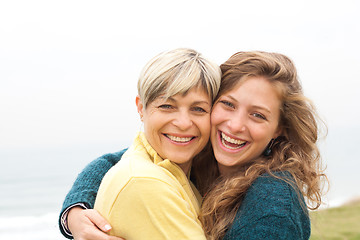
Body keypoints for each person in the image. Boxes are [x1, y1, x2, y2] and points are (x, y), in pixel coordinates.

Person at [59, 51, 326, 240]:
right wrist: (74, 213)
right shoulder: (199, 158)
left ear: (279, 129)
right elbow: (115, 162)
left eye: (258, 115)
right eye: (228, 104)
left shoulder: (272, 205)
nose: (234, 125)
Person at [59, 48, 222, 240]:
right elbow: (125, 171)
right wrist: (74, 210)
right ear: (141, 108)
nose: (184, 123)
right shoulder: (144, 182)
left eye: (198, 109)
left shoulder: (180, 169)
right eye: (166, 106)